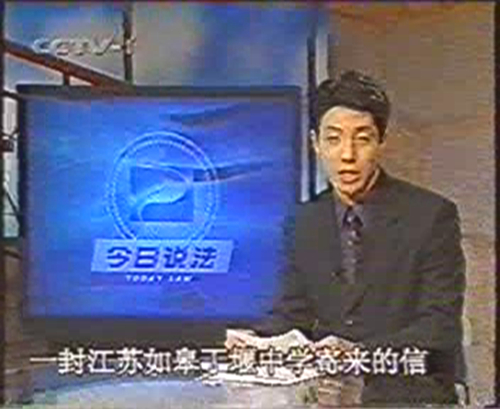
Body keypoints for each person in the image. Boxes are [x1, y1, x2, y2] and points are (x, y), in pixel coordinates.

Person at [227, 70, 466, 406]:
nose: (347, 155)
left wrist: (357, 356)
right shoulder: (304, 221)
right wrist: (257, 341)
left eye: (362, 139)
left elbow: (439, 327)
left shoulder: (430, 216)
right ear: (316, 144)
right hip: (327, 396)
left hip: (408, 393)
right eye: (334, 139)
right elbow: (292, 313)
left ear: (381, 142)